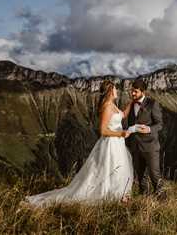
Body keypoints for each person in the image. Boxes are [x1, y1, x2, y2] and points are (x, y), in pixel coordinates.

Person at [20, 80, 134, 208]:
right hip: (111, 144)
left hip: (117, 144)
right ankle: (108, 195)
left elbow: (122, 115)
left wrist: (131, 102)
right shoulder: (107, 107)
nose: (116, 91)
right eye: (114, 89)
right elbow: (102, 130)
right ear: (109, 92)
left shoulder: (112, 105)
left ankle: (117, 195)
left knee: (117, 169)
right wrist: (121, 134)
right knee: (109, 168)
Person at [124, 78, 166, 200]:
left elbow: (160, 124)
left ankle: (162, 199)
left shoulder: (153, 104)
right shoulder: (132, 104)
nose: (132, 94)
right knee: (140, 176)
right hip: (136, 146)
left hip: (150, 147)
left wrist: (148, 129)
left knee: (154, 175)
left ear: (143, 92)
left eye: (135, 91)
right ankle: (144, 200)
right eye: (132, 91)